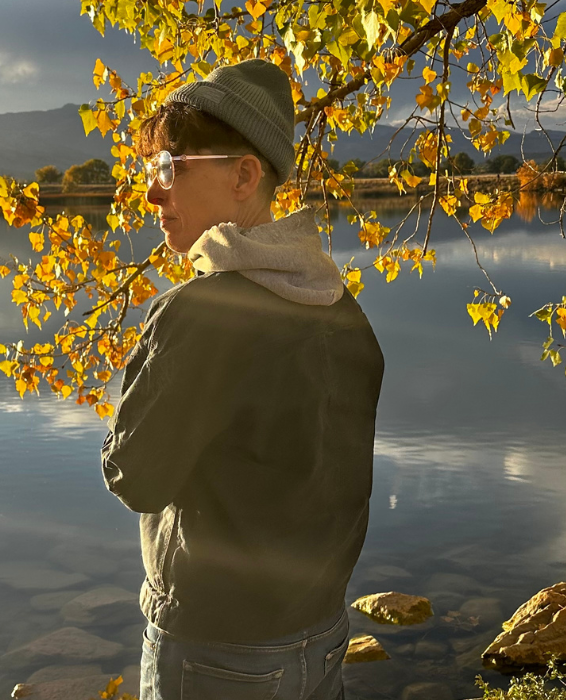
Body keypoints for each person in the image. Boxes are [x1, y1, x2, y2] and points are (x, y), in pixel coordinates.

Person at [100, 58, 385, 700]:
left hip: (216, 648)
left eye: (170, 169)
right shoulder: (343, 312)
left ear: (245, 175)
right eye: (152, 172)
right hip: (321, 629)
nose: (153, 193)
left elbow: (135, 476)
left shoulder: (198, 315)